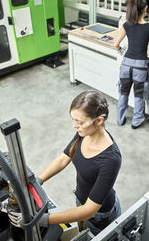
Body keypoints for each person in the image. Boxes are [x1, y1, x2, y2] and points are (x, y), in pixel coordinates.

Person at [37, 90, 122, 235]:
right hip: (81, 202)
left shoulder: (110, 159)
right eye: (74, 120)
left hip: (100, 216)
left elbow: (89, 210)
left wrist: (44, 219)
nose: (74, 126)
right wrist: (38, 181)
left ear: (99, 120)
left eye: (80, 122)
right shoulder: (84, 132)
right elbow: (64, 157)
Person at [114, 0, 149, 129]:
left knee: (123, 93)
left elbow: (116, 44)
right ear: (145, 10)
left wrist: (121, 52)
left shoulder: (126, 25)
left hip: (125, 65)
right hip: (140, 67)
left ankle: (120, 119)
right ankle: (136, 121)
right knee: (139, 95)